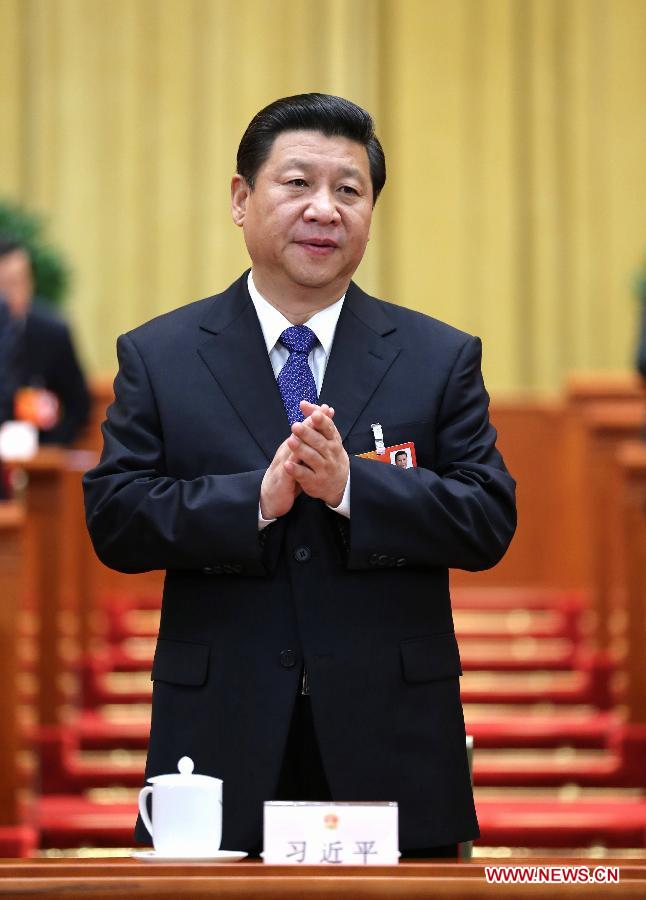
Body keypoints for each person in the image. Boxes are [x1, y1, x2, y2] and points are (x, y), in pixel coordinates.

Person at [83, 94, 516, 857]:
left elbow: (486, 519)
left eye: (349, 190)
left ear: (372, 213)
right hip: (219, 732)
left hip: (393, 737)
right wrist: (254, 499)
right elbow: (116, 517)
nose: (324, 209)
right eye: (297, 184)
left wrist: (353, 488)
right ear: (241, 198)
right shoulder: (161, 355)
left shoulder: (438, 356)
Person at [0, 238, 90, 445]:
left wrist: (51, 449)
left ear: (30, 282)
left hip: (40, 452)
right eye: (1, 285)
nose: (7, 295)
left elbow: (78, 404)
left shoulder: (52, 332)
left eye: (15, 283)